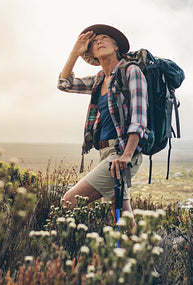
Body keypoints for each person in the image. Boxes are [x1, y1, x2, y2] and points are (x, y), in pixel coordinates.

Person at [57, 24, 148, 226]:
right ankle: (136, 252)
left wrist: (126, 155)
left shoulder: (131, 72)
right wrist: (74, 52)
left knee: (68, 201)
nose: (99, 41)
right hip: (106, 153)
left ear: (116, 47)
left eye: (104, 37)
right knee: (124, 215)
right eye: (94, 41)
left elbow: (139, 119)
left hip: (122, 153)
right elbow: (65, 84)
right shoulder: (99, 80)